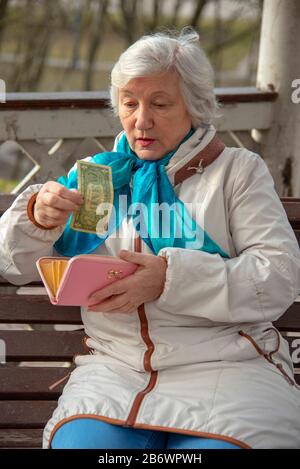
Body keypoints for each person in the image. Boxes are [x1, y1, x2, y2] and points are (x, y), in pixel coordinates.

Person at [0, 28, 300, 450]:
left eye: (160, 104)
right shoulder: (98, 175)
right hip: (115, 373)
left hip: (229, 372)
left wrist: (171, 279)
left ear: (195, 107)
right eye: (130, 103)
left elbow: (278, 276)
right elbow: (12, 267)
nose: (141, 120)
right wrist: (36, 220)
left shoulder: (237, 172)